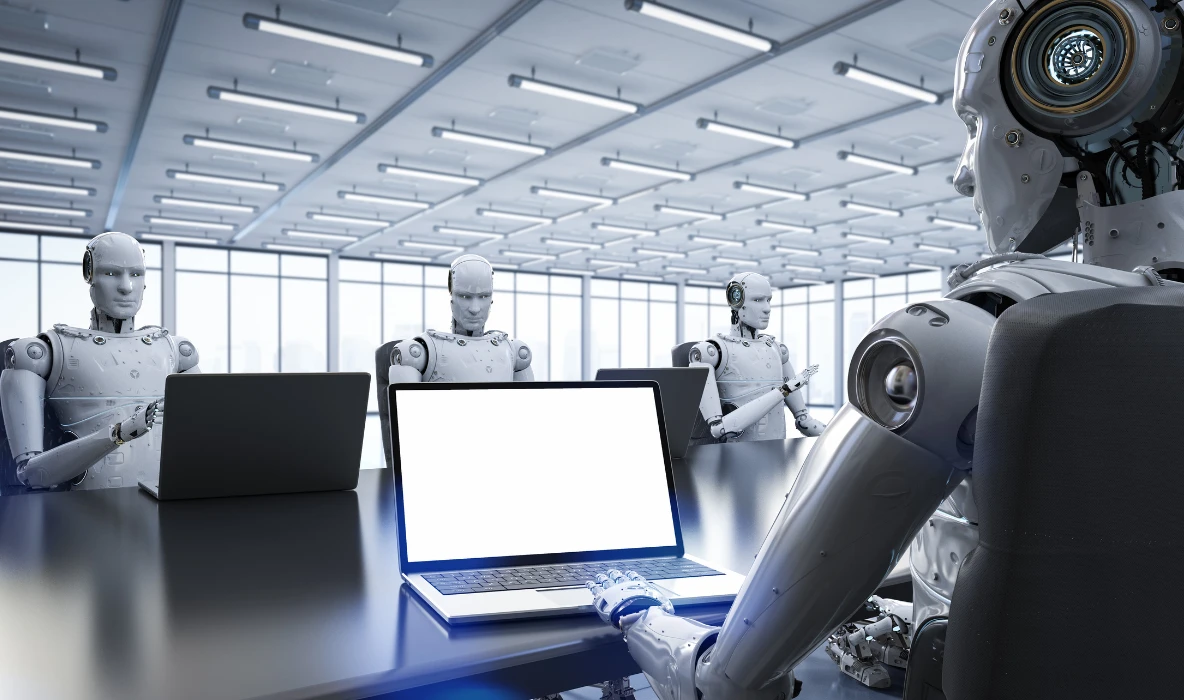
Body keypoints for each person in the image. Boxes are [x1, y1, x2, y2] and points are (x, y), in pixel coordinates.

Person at [585, 0, 1181, 696]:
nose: (964, 172)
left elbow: (729, 681)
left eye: (976, 126)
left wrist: (639, 615)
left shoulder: (995, 331)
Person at [0, 232, 198, 490]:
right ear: (89, 276)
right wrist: (119, 433)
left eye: (136, 274)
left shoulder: (175, 351)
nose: (126, 286)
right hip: (85, 513)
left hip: (167, 506)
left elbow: (205, 441)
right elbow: (32, 474)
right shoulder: (45, 353)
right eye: (111, 273)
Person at [690, 271, 823, 441]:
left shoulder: (776, 349)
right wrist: (784, 390)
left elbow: (805, 422)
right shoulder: (711, 352)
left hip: (779, 456)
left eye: (768, 300)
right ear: (736, 300)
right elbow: (719, 429)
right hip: (737, 459)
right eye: (758, 300)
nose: (767, 309)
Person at [388, 254, 532, 383]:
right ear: (452, 298)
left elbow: (528, 407)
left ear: (491, 299)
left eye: (483, 296)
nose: (474, 309)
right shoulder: (422, 352)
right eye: (465, 296)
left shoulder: (513, 352)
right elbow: (407, 410)